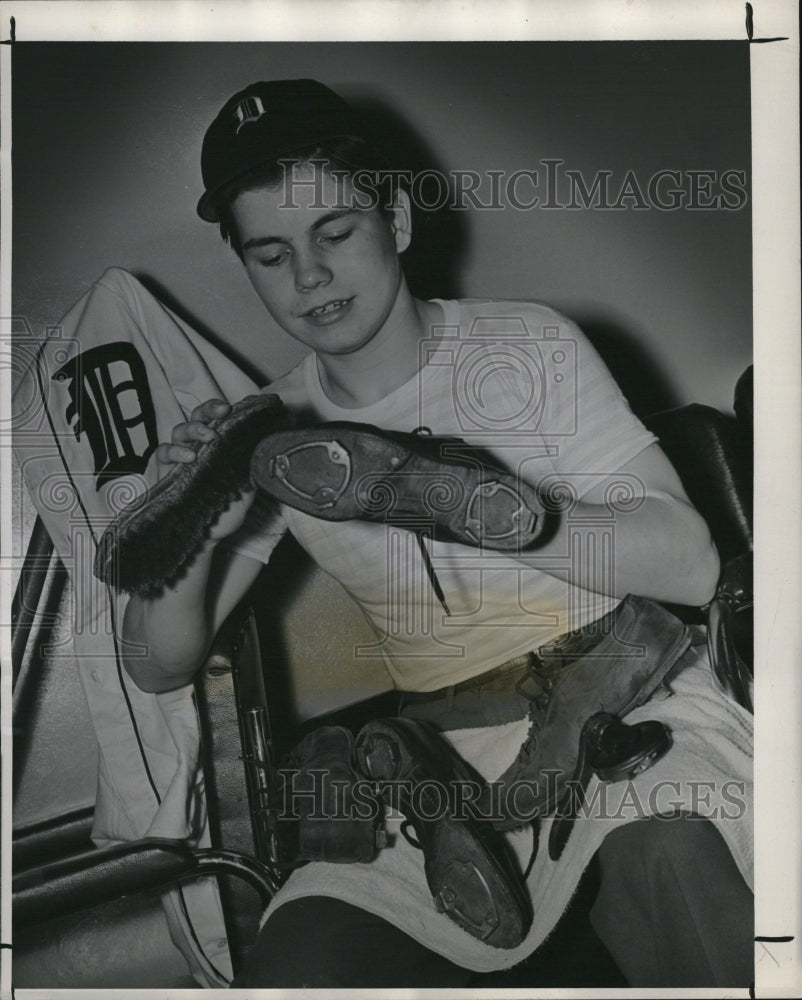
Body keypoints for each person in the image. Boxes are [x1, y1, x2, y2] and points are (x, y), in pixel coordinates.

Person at [121, 79, 754, 987]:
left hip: (627, 697)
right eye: (271, 255)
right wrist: (195, 520)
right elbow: (157, 663)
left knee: (671, 852)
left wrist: (469, 508)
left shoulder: (528, 347)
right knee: (304, 964)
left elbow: (691, 564)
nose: (308, 277)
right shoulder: (275, 435)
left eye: (335, 234)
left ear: (400, 223)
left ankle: (460, 499)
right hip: (445, 761)